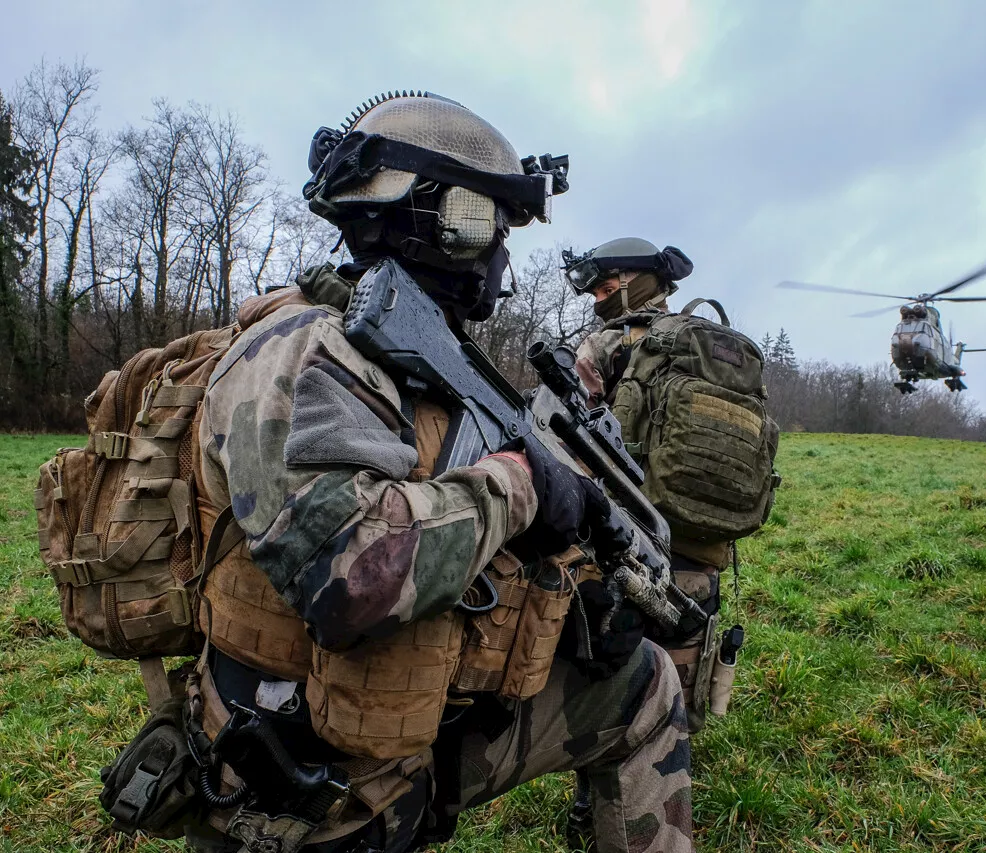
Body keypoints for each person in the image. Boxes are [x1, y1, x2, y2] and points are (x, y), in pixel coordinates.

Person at [188, 93, 693, 853]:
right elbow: (352, 578)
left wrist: (580, 610)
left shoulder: (399, 357)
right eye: (488, 224)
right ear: (438, 218)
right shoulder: (302, 352)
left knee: (644, 683)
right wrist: (522, 484)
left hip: (392, 726)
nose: (498, 259)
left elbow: (436, 508)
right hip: (302, 789)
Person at [563, 238, 737, 848]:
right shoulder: (715, 345)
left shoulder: (609, 344)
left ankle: (599, 810)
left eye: (605, 286)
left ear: (635, 283)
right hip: (704, 546)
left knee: (620, 691)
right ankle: (672, 799)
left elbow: (565, 436)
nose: (595, 297)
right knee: (678, 692)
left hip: (625, 544)